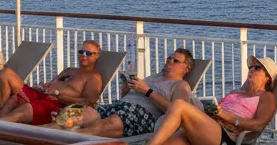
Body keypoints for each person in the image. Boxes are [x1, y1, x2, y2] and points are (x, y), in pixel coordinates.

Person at [107, 55, 277, 145]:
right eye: (251, 67)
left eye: (257, 68)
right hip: (209, 129)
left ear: (268, 77)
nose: (251, 70)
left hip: (227, 138)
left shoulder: (266, 96)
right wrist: (214, 111)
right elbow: (221, 112)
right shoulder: (236, 92)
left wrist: (229, 118)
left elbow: (258, 125)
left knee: (179, 104)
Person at [57, 48, 195, 137]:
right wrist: (127, 85)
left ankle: (64, 142)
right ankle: (43, 133)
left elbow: (177, 112)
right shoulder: (152, 78)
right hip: (120, 106)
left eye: (175, 61)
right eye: (169, 59)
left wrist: (147, 91)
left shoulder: (180, 85)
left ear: (186, 68)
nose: (170, 62)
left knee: (107, 123)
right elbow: (125, 97)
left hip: (142, 115)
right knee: (75, 113)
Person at [0, 39, 104, 124]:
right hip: (43, 95)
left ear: (97, 56)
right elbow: (53, 83)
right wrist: (47, 86)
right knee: (6, 74)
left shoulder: (93, 77)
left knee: (27, 108)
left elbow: (89, 102)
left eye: (88, 53)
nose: (83, 55)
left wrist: (59, 95)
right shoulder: (69, 70)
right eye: (81, 52)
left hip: (58, 105)